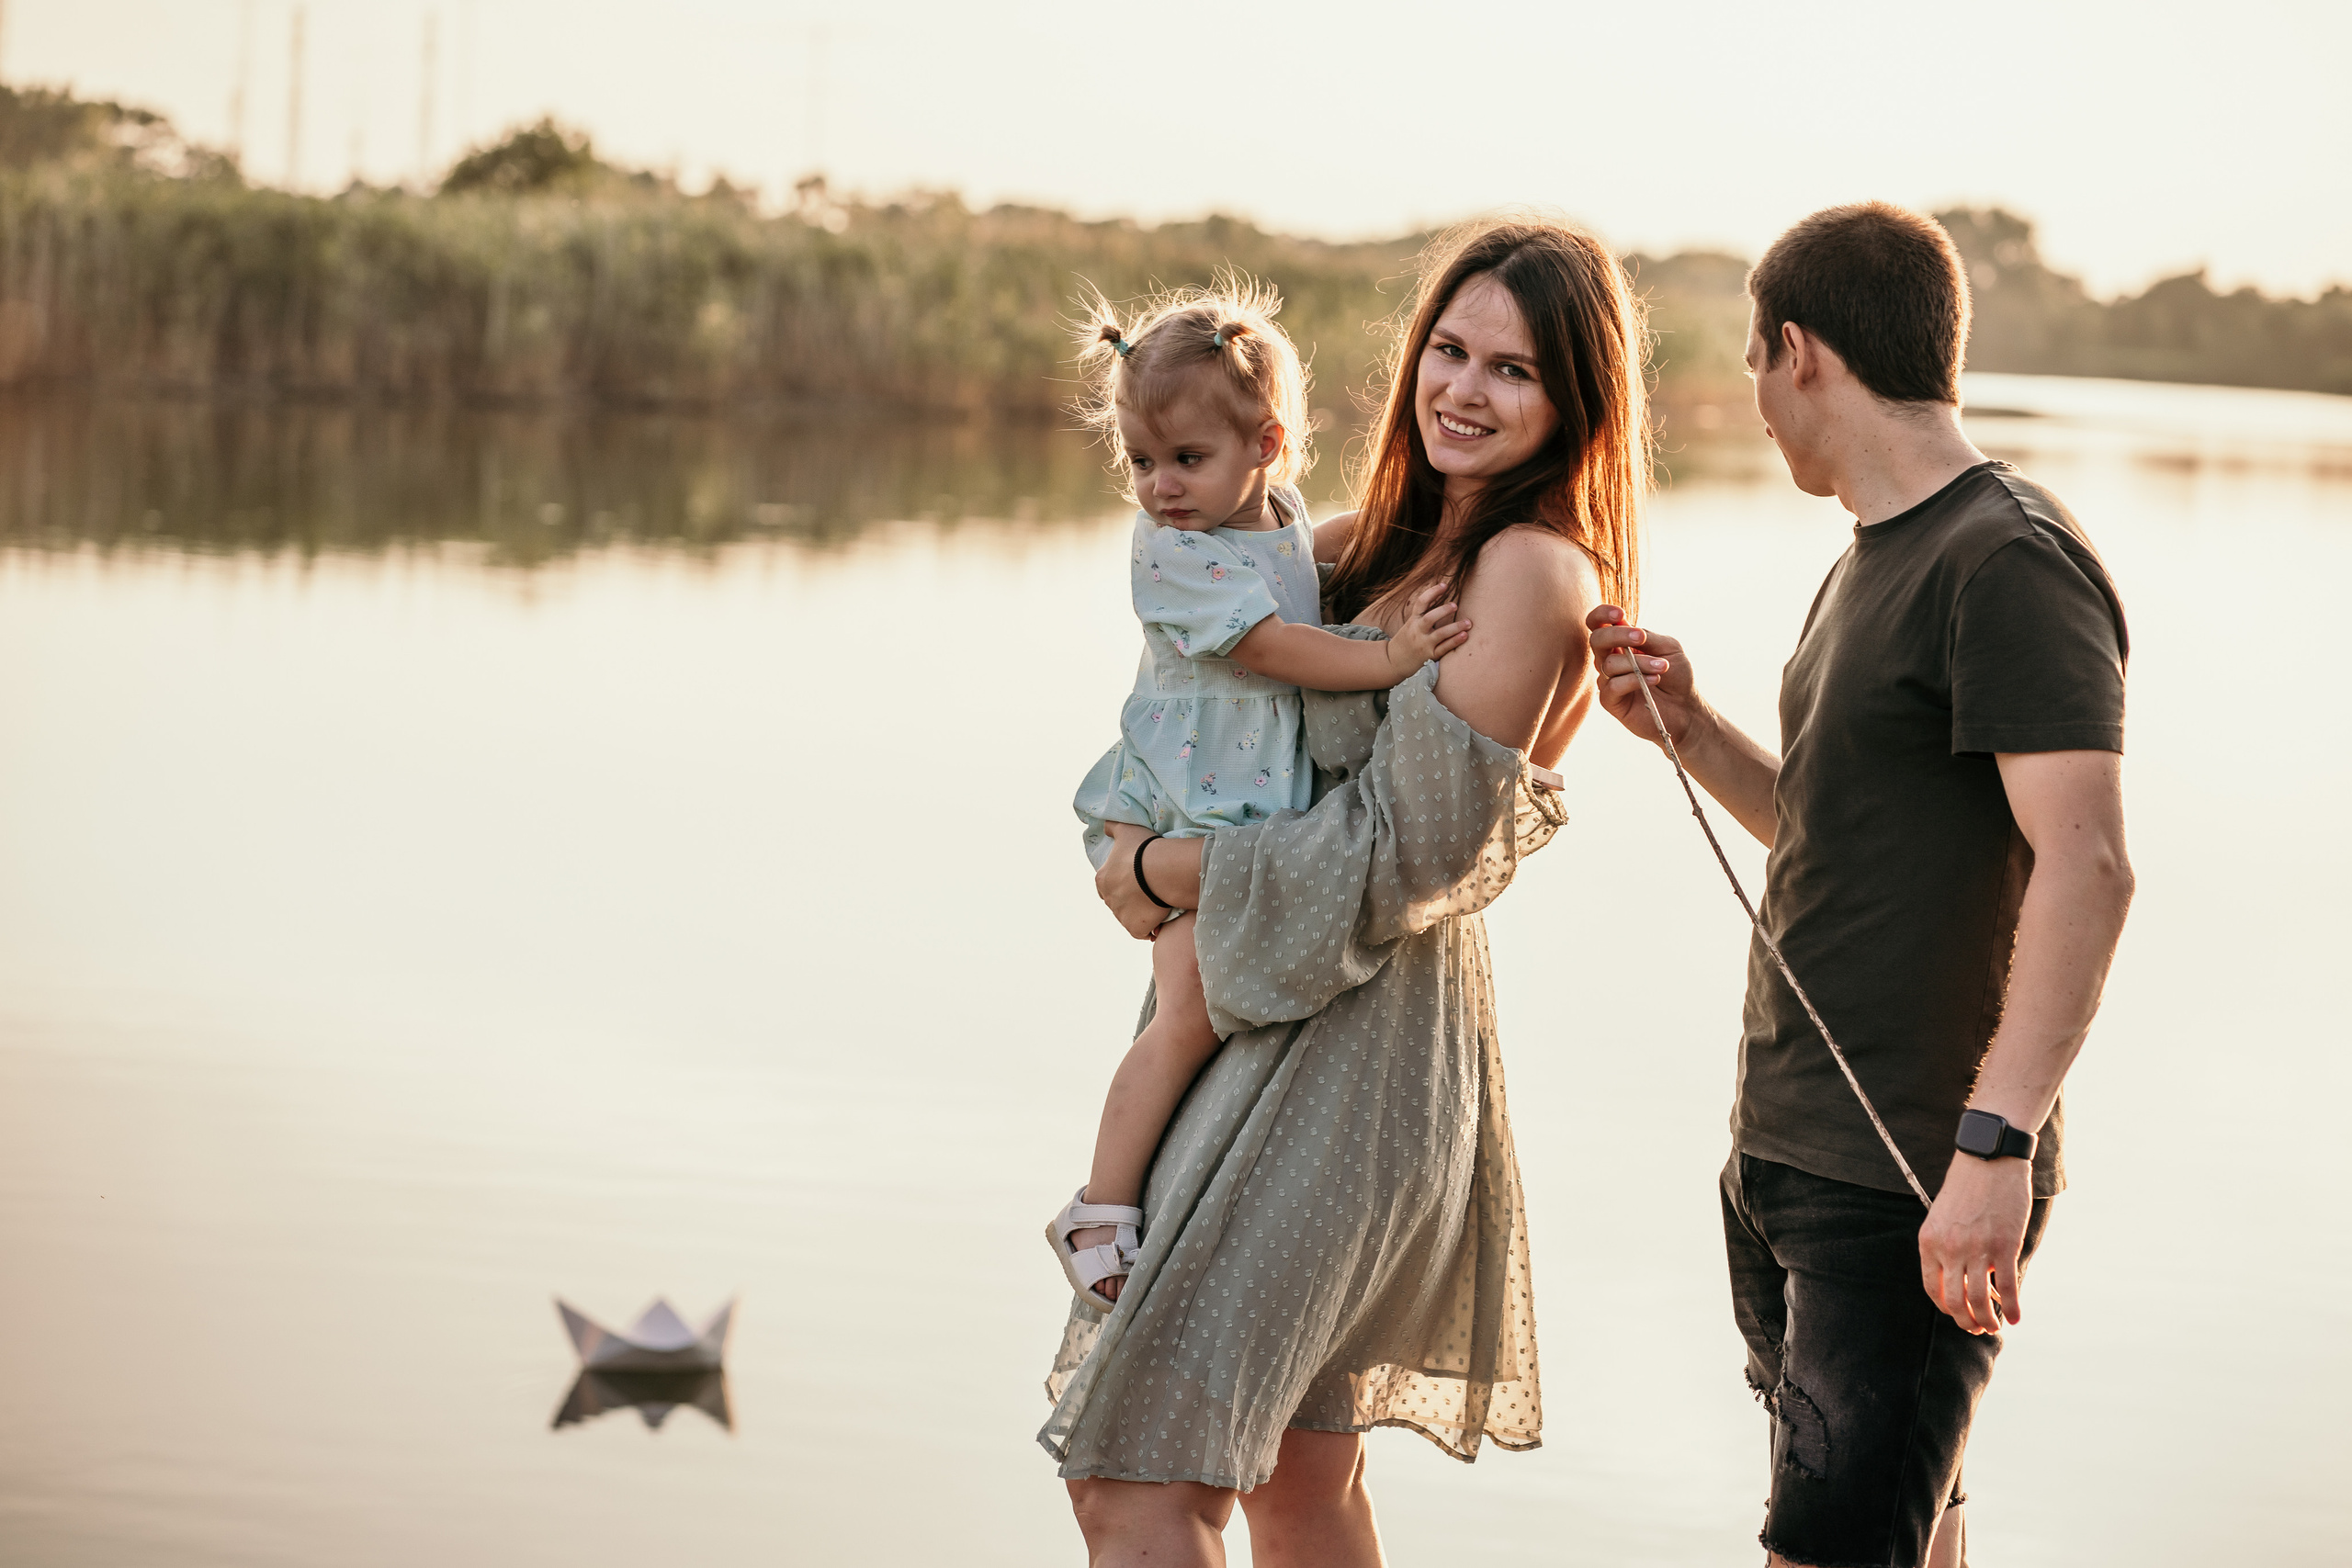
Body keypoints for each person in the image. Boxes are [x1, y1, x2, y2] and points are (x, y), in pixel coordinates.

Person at [1041, 216, 1647, 1568]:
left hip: (1356, 1048)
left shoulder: (1529, 569)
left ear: (1573, 403)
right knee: (1298, 1479)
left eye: (1514, 370)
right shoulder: (1358, 545)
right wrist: (1136, 827)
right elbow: (1197, 692)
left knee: (1137, 1481)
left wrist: (1153, 868)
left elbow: (1403, 857)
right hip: (1268, 1003)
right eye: (1450, 349)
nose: (1465, 389)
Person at [1589, 201, 2133, 1568]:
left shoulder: (2006, 557)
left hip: (1909, 1175)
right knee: (1914, 1524)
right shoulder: (1872, 554)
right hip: (1790, 1150)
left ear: (1801, 352)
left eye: (1754, 364)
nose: (1755, 400)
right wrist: (1690, 729)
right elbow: (1830, 832)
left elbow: (2090, 866)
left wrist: (1996, 1148)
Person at [1053, 286, 1473, 1313]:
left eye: (1185, 459)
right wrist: (1392, 658)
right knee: (1187, 1012)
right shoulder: (1171, 554)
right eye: (1141, 462)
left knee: (1204, 1005)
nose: (1160, 486)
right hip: (1184, 799)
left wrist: (1421, 523)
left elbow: (1306, 553)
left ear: (1267, 447)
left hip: (1230, 787)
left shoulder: (1269, 516)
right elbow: (1275, 645)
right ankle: (1099, 1208)